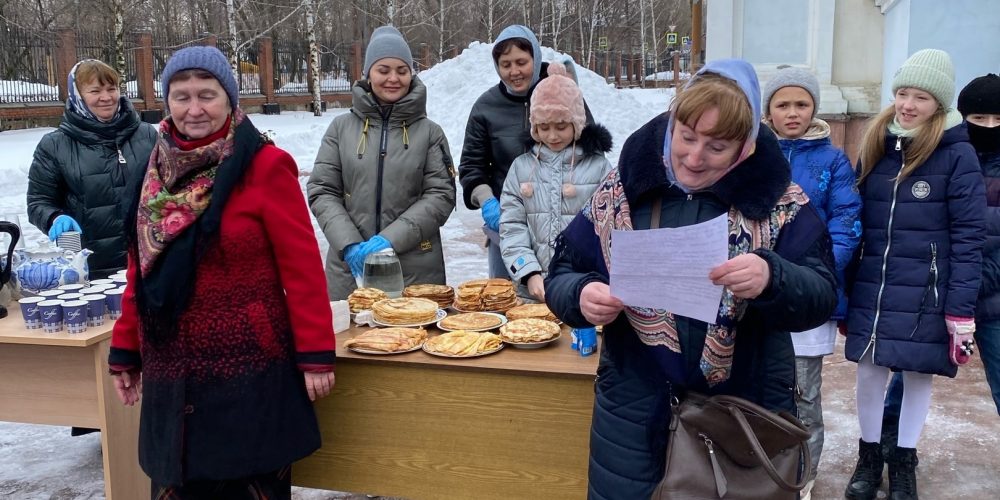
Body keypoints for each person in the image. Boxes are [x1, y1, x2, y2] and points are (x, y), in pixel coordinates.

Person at [544, 58, 838, 499]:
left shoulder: (781, 204)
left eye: (717, 147)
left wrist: (772, 277)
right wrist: (582, 295)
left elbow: (822, 294)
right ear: (671, 125)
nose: (694, 157)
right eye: (686, 137)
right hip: (633, 413)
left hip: (740, 414)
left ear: (746, 147)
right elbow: (563, 273)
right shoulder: (623, 190)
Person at [108, 46, 336, 499]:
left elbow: (303, 266)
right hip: (171, 374)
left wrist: (315, 352)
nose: (194, 109)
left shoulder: (265, 166)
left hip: (248, 373)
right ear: (166, 101)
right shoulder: (152, 171)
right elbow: (141, 272)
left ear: (230, 99)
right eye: (181, 96)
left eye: (207, 95)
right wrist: (126, 346)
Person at [843, 49, 986, 500]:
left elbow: (968, 237)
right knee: (868, 372)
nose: (907, 104)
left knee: (917, 374)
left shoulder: (957, 155)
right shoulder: (876, 144)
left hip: (928, 290)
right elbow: (851, 219)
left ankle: (903, 458)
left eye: (920, 97)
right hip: (874, 284)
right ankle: (869, 457)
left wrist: (960, 309)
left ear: (939, 105)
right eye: (902, 93)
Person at [762, 66, 862, 500]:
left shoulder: (832, 159)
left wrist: (815, 277)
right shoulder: (752, 152)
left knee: (804, 391)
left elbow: (846, 221)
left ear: (814, 108)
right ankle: (761, 466)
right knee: (760, 384)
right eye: (782, 104)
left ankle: (803, 473)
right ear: (768, 110)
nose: (792, 112)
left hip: (807, 297)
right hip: (757, 294)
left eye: (801, 104)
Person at [309, 25, 455, 300]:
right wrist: (349, 244)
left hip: (414, 269)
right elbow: (322, 190)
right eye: (383, 70)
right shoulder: (340, 129)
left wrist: (390, 240)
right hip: (350, 269)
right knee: (353, 341)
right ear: (368, 74)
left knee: (410, 338)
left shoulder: (429, 133)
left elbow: (441, 196)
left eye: (402, 70)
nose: (393, 78)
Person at [458, 24, 593, 279]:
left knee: (561, 306)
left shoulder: (561, 95)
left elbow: (589, 150)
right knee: (506, 305)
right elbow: (471, 167)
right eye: (505, 64)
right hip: (506, 229)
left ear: (536, 58)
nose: (514, 71)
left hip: (562, 228)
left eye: (521, 61)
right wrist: (488, 202)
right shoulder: (485, 107)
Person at [27, 59, 157, 279]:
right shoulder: (55, 145)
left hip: (149, 265)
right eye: (95, 91)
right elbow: (38, 201)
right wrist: (54, 218)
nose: (106, 97)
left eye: (111, 89)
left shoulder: (146, 134)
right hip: (89, 269)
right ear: (77, 95)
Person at [499, 63, 612, 303]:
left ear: (577, 123)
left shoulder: (598, 167)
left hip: (584, 289)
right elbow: (512, 225)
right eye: (543, 127)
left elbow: (611, 229)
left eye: (561, 127)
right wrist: (528, 272)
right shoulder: (521, 168)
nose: (552, 136)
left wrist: (591, 279)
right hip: (532, 290)